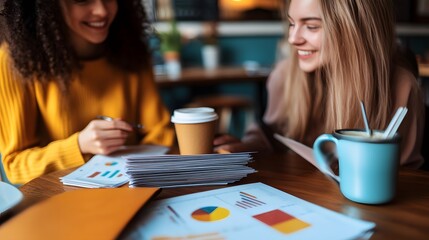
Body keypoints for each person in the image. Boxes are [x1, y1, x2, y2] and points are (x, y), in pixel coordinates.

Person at [214, 0, 424, 168]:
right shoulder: (284, 75)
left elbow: (407, 177)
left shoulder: (402, 87)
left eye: (311, 26)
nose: (293, 39)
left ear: (355, 30)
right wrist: (246, 146)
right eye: (291, 23)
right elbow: (270, 135)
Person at [0, 0, 174, 184]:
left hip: (132, 189)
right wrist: (80, 145)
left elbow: (160, 133)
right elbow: (14, 165)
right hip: (57, 201)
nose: (101, 11)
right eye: (82, 0)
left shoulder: (132, 49)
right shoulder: (14, 62)